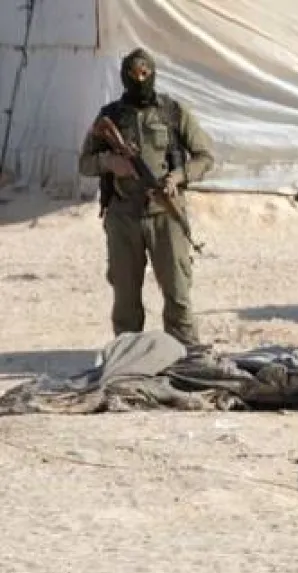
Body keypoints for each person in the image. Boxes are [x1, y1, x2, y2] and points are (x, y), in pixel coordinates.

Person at [78, 48, 215, 348]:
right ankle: (130, 355)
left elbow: (205, 157)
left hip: (166, 214)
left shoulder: (173, 112)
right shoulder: (110, 116)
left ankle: (185, 354)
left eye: (145, 73)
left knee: (178, 294)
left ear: (153, 74)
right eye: (133, 74)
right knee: (125, 299)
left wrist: (178, 176)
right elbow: (84, 163)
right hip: (123, 217)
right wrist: (110, 162)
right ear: (124, 76)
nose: (139, 79)